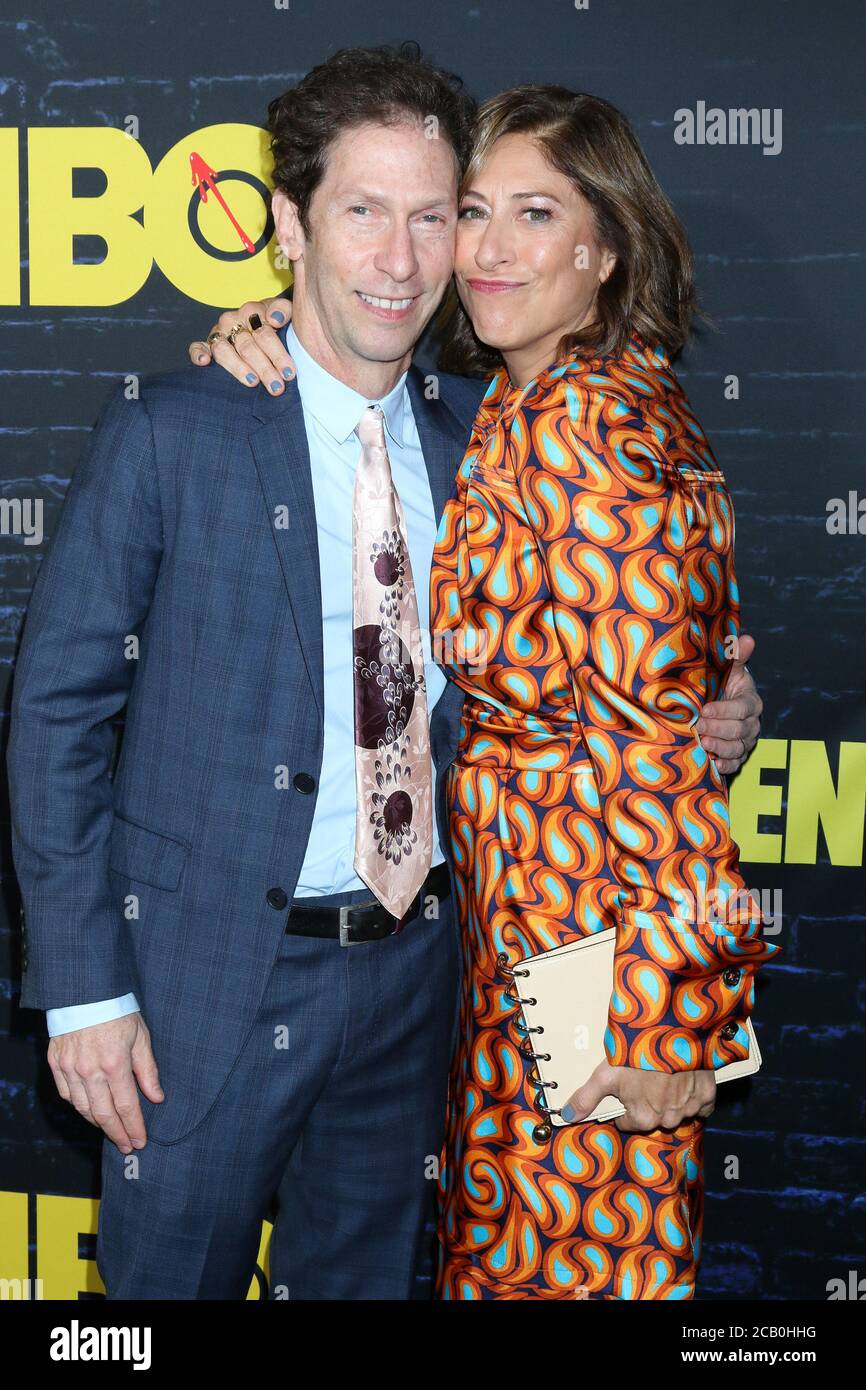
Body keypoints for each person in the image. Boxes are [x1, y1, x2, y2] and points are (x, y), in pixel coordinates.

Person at [8, 45, 762, 1302]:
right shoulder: (174, 427)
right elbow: (54, 718)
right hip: (198, 992)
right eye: (364, 213)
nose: (405, 260)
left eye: (434, 215)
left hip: (423, 982)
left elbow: (609, 646)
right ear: (289, 226)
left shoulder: (487, 435)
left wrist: (708, 709)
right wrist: (83, 992)